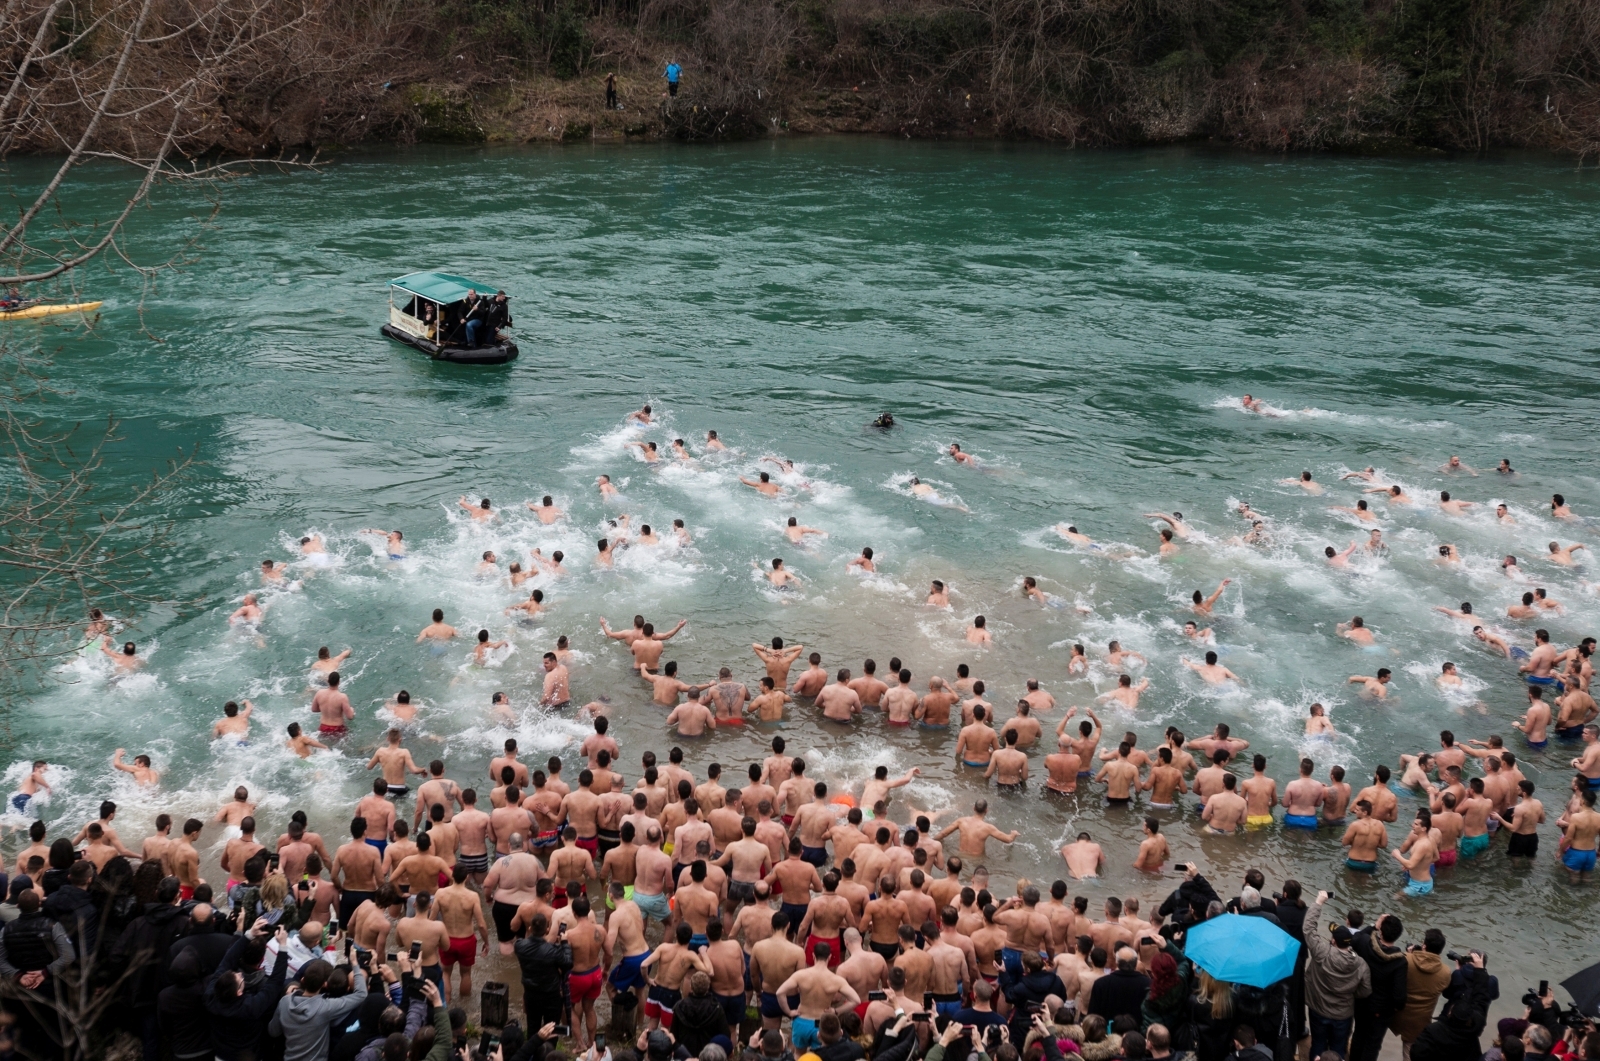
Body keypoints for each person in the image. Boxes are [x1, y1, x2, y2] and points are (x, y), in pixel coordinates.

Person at [1303, 891, 1371, 1057]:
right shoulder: (1360, 964)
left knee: (1318, 1045)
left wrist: (1318, 903)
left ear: (1333, 940)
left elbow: (1308, 928)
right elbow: (1365, 991)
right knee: (1339, 1050)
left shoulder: (1322, 952)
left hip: (1318, 1009)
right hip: (1343, 1014)